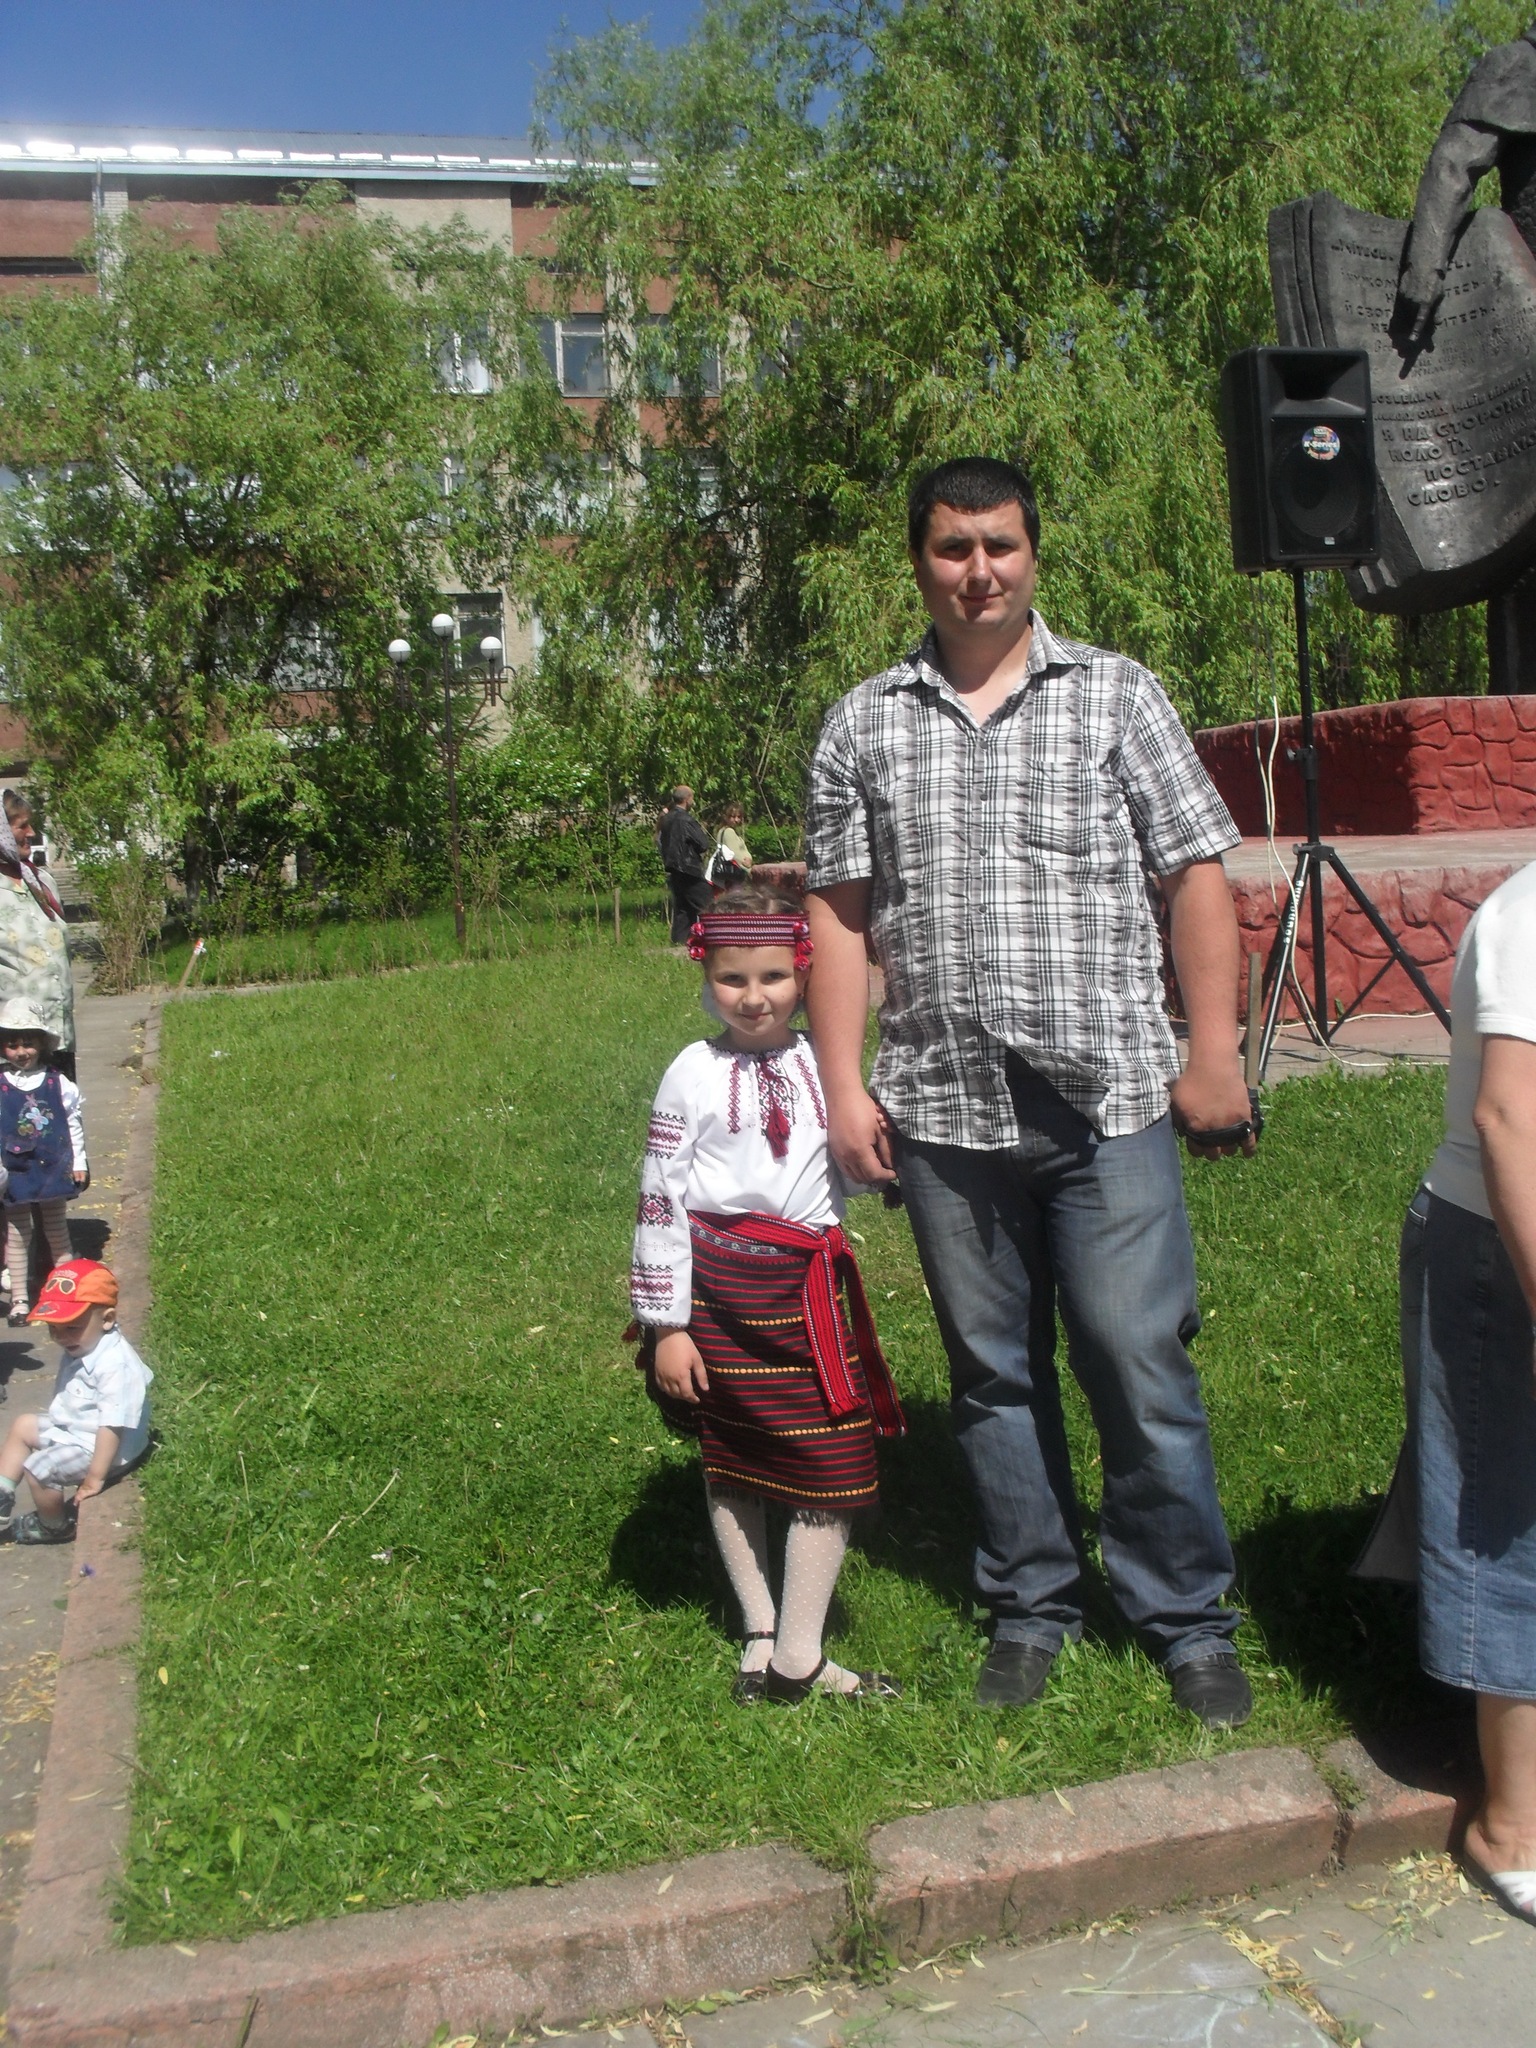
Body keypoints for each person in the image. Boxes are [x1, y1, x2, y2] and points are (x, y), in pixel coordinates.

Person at [804, 456, 1257, 1728]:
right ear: (919, 561)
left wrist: (1213, 1053)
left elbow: (1195, 874)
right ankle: (1031, 1600)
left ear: (1032, 552)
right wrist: (841, 1085)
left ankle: (1185, 1615)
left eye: (999, 544)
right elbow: (838, 913)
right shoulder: (862, 723)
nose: (978, 570)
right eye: (953, 548)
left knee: (1136, 1356)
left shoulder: (1115, 693)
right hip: (944, 1106)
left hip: (1106, 1095)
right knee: (992, 1370)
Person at [630, 881, 905, 1703]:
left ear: (804, 972)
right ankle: (762, 1633)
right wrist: (666, 1326)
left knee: (834, 1459)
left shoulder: (827, 1065)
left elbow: (843, 1163)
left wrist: (887, 1169)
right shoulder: (690, 1074)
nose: (754, 997)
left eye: (774, 977)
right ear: (705, 973)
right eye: (733, 978)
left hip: (805, 1289)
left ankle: (797, 1654)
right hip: (717, 1293)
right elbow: (660, 1197)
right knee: (733, 1453)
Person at [1376, 860, 1536, 1923]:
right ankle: (1512, 1823)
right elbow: (1509, 1115)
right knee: (1510, 1515)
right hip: (1504, 1241)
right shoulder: (1531, 916)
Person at [0, 1258, 151, 1544]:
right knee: (22, 1426)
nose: (60, 1337)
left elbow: (112, 1425)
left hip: (105, 1449)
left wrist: (95, 1477)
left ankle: (55, 1525)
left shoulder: (115, 1365)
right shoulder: (85, 1343)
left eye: (71, 1328)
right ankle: (3, 1492)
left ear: (107, 1319)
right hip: (78, 1430)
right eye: (53, 1328)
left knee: (38, 1468)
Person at [0, 996, 86, 1326]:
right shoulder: (2, 1085)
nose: (21, 1052)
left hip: (53, 1166)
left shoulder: (57, 1082)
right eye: (12, 1045)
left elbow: (73, 1123)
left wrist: (79, 1162)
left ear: (40, 1044)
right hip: (15, 1169)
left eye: (28, 1043)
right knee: (17, 1233)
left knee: (56, 1229)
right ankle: (20, 1298)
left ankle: (66, 1290)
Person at [658, 785, 712, 945]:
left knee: (682, 908)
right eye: (692, 797)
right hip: (689, 869)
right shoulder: (686, 819)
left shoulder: (666, 819)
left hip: (673, 869)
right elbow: (703, 844)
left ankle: (679, 942)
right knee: (708, 905)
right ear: (687, 799)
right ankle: (715, 940)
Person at [707, 803, 755, 890]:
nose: (736, 820)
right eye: (733, 817)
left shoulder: (724, 830)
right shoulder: (729, 832)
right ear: (726, 817)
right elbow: (735, 854)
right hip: (734, 873)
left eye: (739, 817)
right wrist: (748, 868)